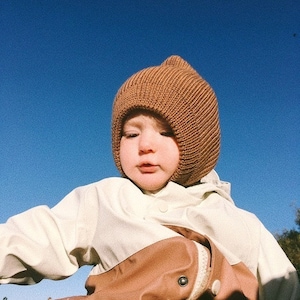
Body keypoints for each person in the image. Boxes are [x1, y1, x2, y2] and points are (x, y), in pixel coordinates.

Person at [0, 55, 299, 300]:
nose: (145, 145)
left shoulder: (243, 226)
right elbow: (38, 237)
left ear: (200, 145)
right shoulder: (106, 201)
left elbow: (285, 288)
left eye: (166, 132)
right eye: (131, 133)